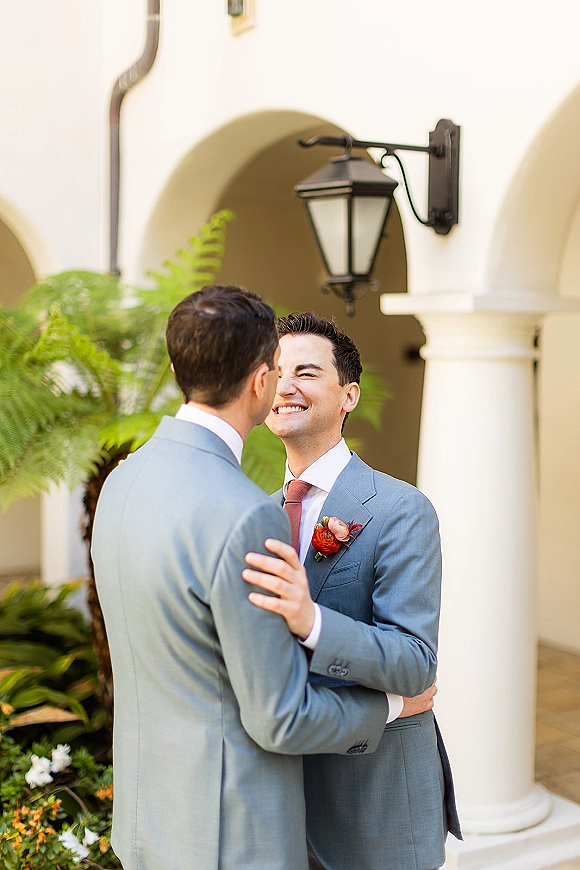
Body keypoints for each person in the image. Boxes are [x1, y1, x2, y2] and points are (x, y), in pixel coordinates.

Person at [92, 286, 401, 870]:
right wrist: (388, 708)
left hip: (146, 819)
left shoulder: (122, 480)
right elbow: (279, 716)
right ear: (259, 382)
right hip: (228, 834)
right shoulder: (247, 513)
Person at [243, 312, 462, 870]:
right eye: (276, 371)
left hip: (377, 811)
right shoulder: (257, 516)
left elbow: (416, 664)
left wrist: (309, 620)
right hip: (285, 812)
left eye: (307, 372)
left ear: (349, 395)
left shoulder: (399, 509)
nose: (285, 385)